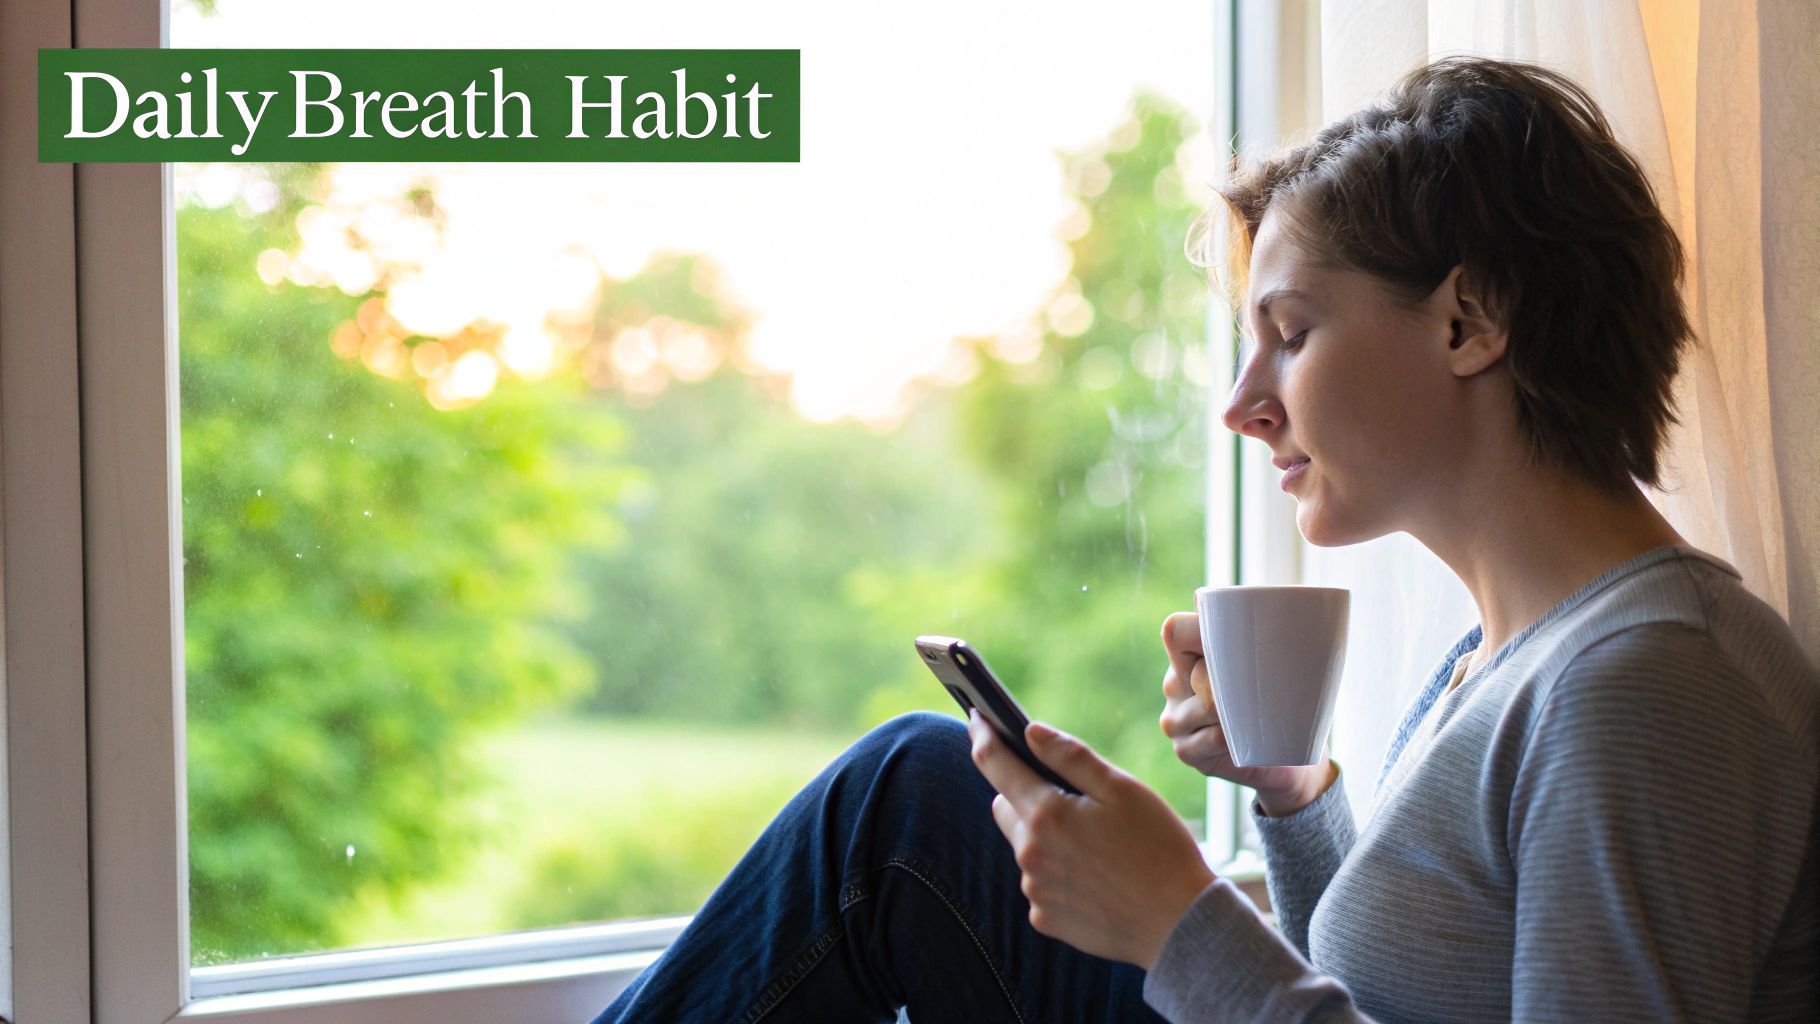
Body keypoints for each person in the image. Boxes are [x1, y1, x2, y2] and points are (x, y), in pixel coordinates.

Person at [588, 56, 1819, 1024]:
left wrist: (1179, 920)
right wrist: (1289, 799)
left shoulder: (1649, 684)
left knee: (908, 806)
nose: (1241, 402)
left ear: (1469, 321)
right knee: (919, 792)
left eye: (1288, 330)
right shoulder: (1511, 659)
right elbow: (1390, 993)